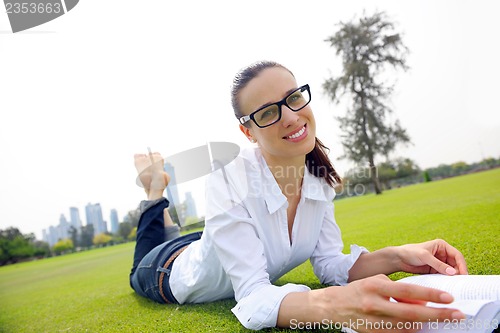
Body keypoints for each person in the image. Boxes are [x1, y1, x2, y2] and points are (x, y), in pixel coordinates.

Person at [129, 60, 468, 332]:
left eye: (293, 98)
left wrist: (398, 257)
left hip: (211, 242)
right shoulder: (228, 178)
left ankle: (162, 203)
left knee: (193, 238)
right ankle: (155, 193)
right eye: (267, 113)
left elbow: (330, 265)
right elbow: (252, 297)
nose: (291, 117)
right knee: (148, 246)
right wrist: (335, 305)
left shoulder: (317, 180)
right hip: (166, 269)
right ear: (248, 131)